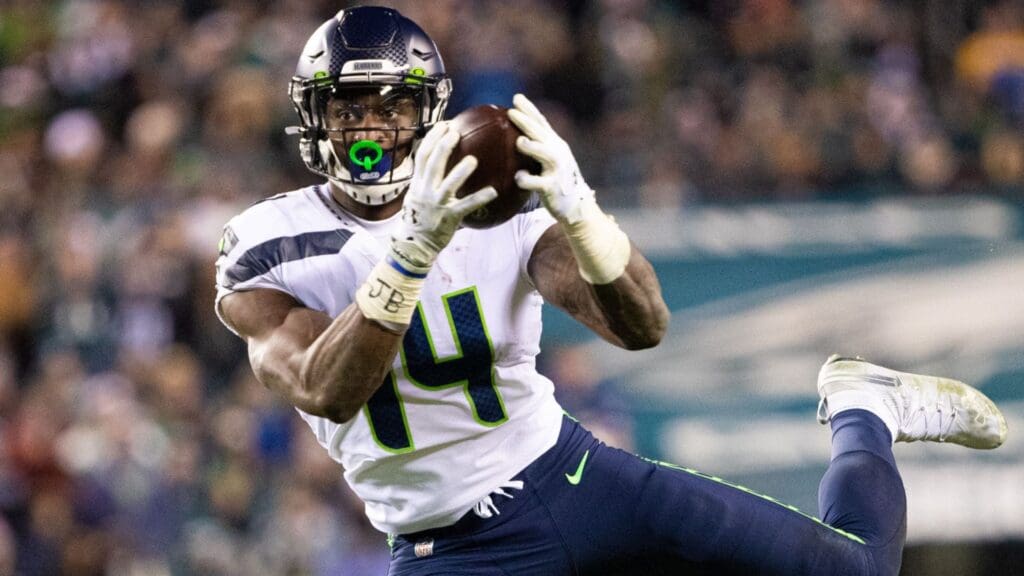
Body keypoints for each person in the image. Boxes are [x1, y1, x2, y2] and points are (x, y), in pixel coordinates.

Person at [214, 6, 1008, 575]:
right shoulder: (269, 243)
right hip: (445, 546)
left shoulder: (499, 205)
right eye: (350, 107)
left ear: (431, 114)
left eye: (392, 106)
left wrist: (582, 212)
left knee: (857, 571)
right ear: (314, 118)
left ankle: (865, 409)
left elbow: (642, 326)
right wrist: (415, 248)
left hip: (575, 479)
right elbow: (327, 386)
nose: (370, 129)